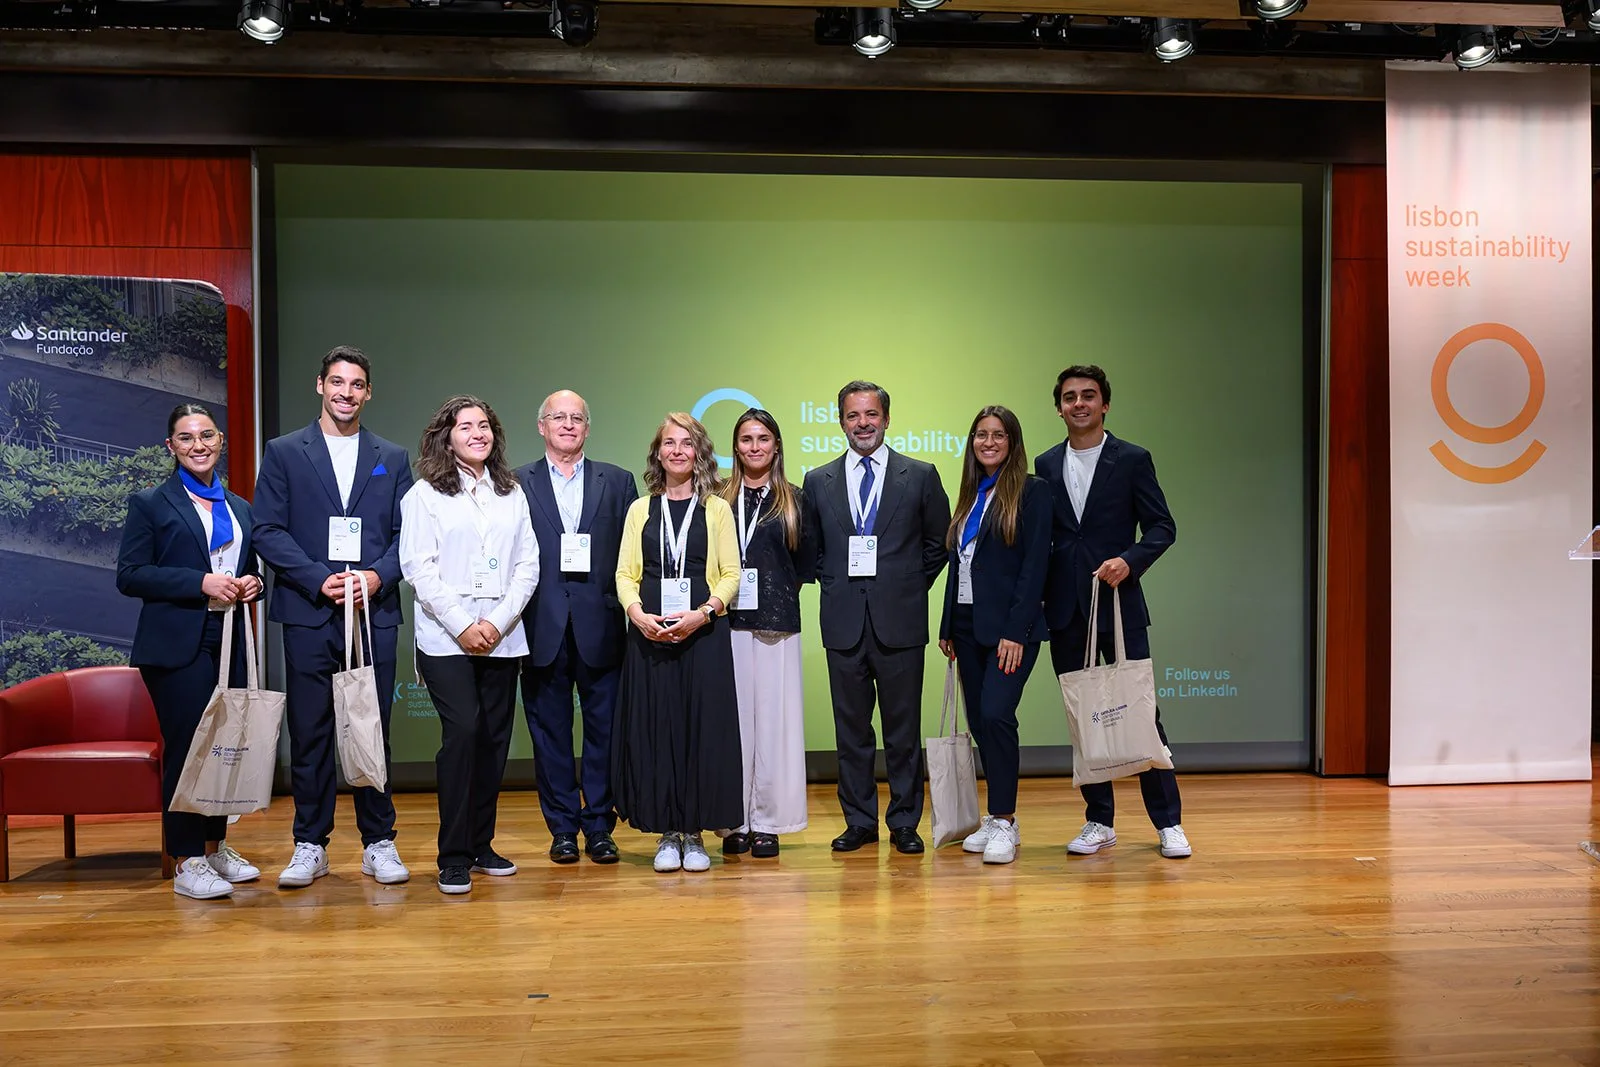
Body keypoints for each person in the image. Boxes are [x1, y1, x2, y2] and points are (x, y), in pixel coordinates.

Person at [253, 345, 416, 888]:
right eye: (337, 382)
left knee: (372, 729)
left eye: (357, 384)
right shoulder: (283, 452)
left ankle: (379, 843)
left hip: (372, 613)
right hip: (308, 611)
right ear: (319, 385)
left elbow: (407, 537)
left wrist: (376, 577)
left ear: (368, 392)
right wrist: (316, 577)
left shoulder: (391, 457)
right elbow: (267, 531)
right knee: (311, 731)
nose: (347, 392)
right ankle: (309, 844)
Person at [1035, 364, 1189, 859]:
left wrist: (1130, 560)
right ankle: (1098, 820)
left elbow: (1163, 527)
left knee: (1141, 712)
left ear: (1104, 404)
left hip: (1120, 604)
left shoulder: (1132, 460)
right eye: (1069, 397)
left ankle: (1168, 823)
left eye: (1088, 395)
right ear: (1058, 407)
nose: (1078, 403)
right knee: (1085, 717)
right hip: (1065, 609)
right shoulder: (1044, 463)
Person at [116, 403, 265, 900]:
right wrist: (200, 582)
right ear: (171, 447)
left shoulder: (241, 507)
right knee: (189, 749)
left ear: (219, 441)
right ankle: (186, 859)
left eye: (206, 436)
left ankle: (215, 843)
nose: (198, 445)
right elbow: (130, 575)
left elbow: (252, 569)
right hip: (176, 643)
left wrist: (252, 584)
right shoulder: (151, 503)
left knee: (224, 747)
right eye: (186, 438)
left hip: (228, 641)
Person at [802, 381, 950, 855]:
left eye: (870, 414)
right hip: (843, 622)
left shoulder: (920, 474)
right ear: (841, 421)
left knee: (903, 731)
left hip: (900, 623)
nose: (862, 423)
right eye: (852, 415)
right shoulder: (817, 480)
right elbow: (814, 549)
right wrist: (837, 584)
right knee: (851, 731)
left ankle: (905, 821)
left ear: (887, 418)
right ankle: (860, 820)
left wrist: (904, 586)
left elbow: (937, 543)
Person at [400, 396, 539, 895]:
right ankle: (452, 855)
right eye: (466, 426)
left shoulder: (511, 492)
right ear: (447, 436)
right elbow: (419, 568)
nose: (477, 433)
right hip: (446, 638)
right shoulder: (424, 495)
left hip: (502, 638)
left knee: (493, 741)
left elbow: (528, 565)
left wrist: (498, 622)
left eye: (485, 426)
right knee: (463, 733)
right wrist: (463, 625)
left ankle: (482, 844)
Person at [612, 413, 743, 873]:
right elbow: (625, 574)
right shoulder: (640, 510)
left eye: (686, 443)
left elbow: (731, 575)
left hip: (703, 634)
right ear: (658, 453)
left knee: (700, 731)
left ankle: (695, 832)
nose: (677, 450)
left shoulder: (718, 509)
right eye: (669, 443)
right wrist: (637, 615)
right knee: (658, 731)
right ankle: (667, 833)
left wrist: (703, 613)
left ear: (699, 452)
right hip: (650, 634)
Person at [515, 390, 638, 866]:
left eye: (576, 418)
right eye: (557, 417)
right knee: (550, 734)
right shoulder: (514, 482)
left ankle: (600, 826)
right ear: (542, 427)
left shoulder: (619, 481)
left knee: (605, 732)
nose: (567, 424)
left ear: (588, 428)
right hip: (540, 625)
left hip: (602, 625)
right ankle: (563, 827)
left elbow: (632, 557)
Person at [936, 405, 1050, 865]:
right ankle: (1001, 818)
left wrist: (1016, 631)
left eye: (998, 435)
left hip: (1009, 631)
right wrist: (946, 624)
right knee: (982, 724)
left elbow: (1035, 566)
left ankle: (1003, 818)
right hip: (966, 626)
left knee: (998, 715)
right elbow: (957, 564)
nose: (988, 442)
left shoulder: (1033, 492)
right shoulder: (969, 495)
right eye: (981, 435)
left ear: (1012, 441)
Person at [717, 409, 813, 859]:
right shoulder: (715, 499)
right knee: (732, 725)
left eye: (763, 439)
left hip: (778, 623)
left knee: (775, 726)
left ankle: (769, 823)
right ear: (735, 447)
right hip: (725, 624)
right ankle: (733, 820)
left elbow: (807, 562)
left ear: (776, 446)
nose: (754, 446)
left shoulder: (795, 499)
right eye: (746, 439)